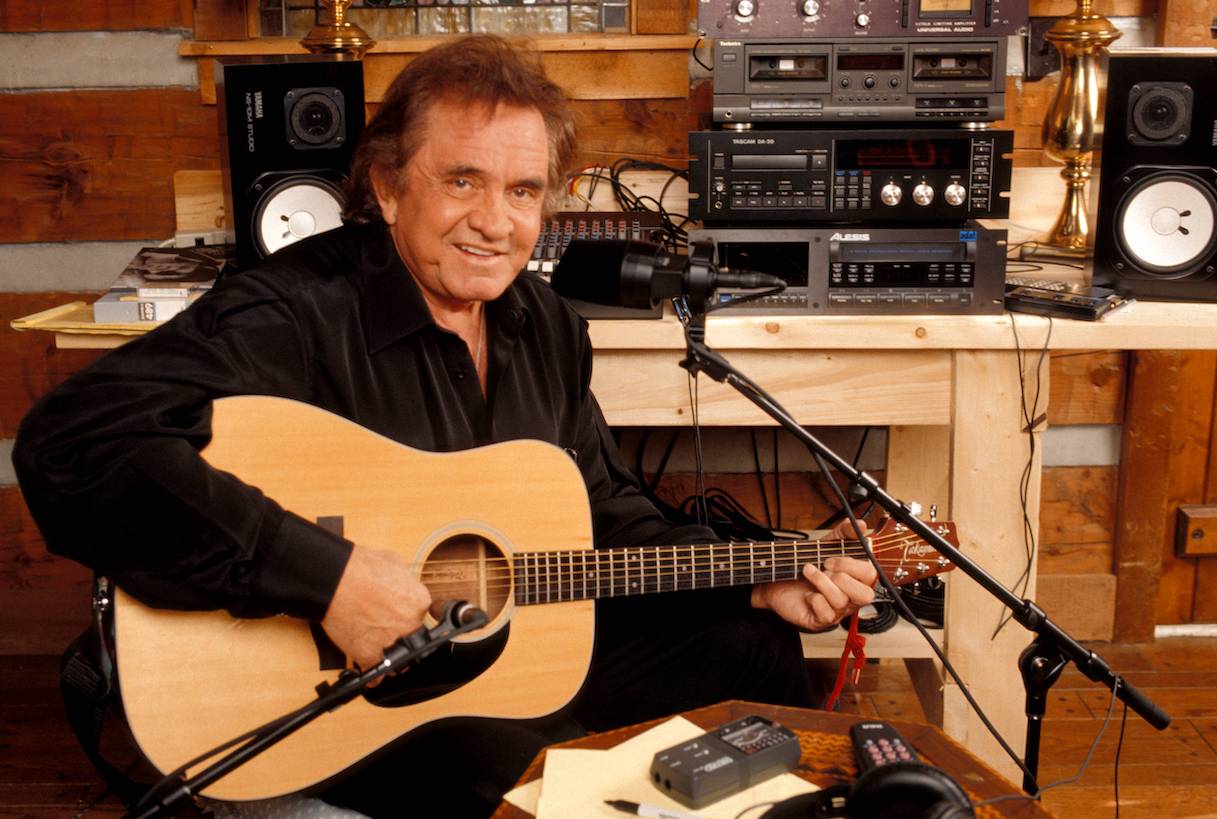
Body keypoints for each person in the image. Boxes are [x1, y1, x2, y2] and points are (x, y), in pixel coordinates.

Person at [14, 34, 877, 818]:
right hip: (346, 700)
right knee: (527, 767)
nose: (495, 222)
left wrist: (756, 572)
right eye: (462, 181)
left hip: (499, 667)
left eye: (523, 190)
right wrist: (328, 578)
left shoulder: (544, 325)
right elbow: (72, 441)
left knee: (757, 646)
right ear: (388, 186)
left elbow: (604, 514)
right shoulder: (298, 310)